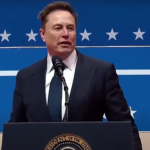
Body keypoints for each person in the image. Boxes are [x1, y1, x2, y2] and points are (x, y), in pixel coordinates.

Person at [9, 1, 142, 150]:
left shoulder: (101, 71)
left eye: (70, 28)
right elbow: (15, 133)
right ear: (43, 34)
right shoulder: (26, 77)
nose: (65, 34)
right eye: (58, 28)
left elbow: (125, 129)